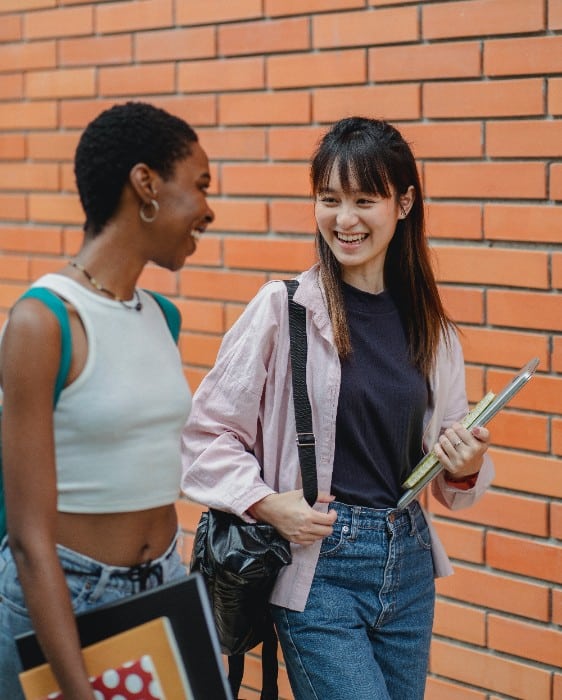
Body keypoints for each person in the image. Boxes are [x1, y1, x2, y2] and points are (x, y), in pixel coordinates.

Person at [181, 116, 494, 700]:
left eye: (364, 200)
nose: (343, 220)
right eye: (329, 199)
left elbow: (457, 485)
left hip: (408, 562)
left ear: (404, 203)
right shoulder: (285, 309)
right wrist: (266, 503)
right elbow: (205, 434)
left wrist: (464, 461)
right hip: (319, 565)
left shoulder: (432, 330)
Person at [0, 101, 214, 699]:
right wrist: (77, 688)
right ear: (145, 183)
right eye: (199, 186)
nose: (208, 210)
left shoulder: (161, 317)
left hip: (163, 585)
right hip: (65, 603)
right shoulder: (43, 323)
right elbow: (28, 538)